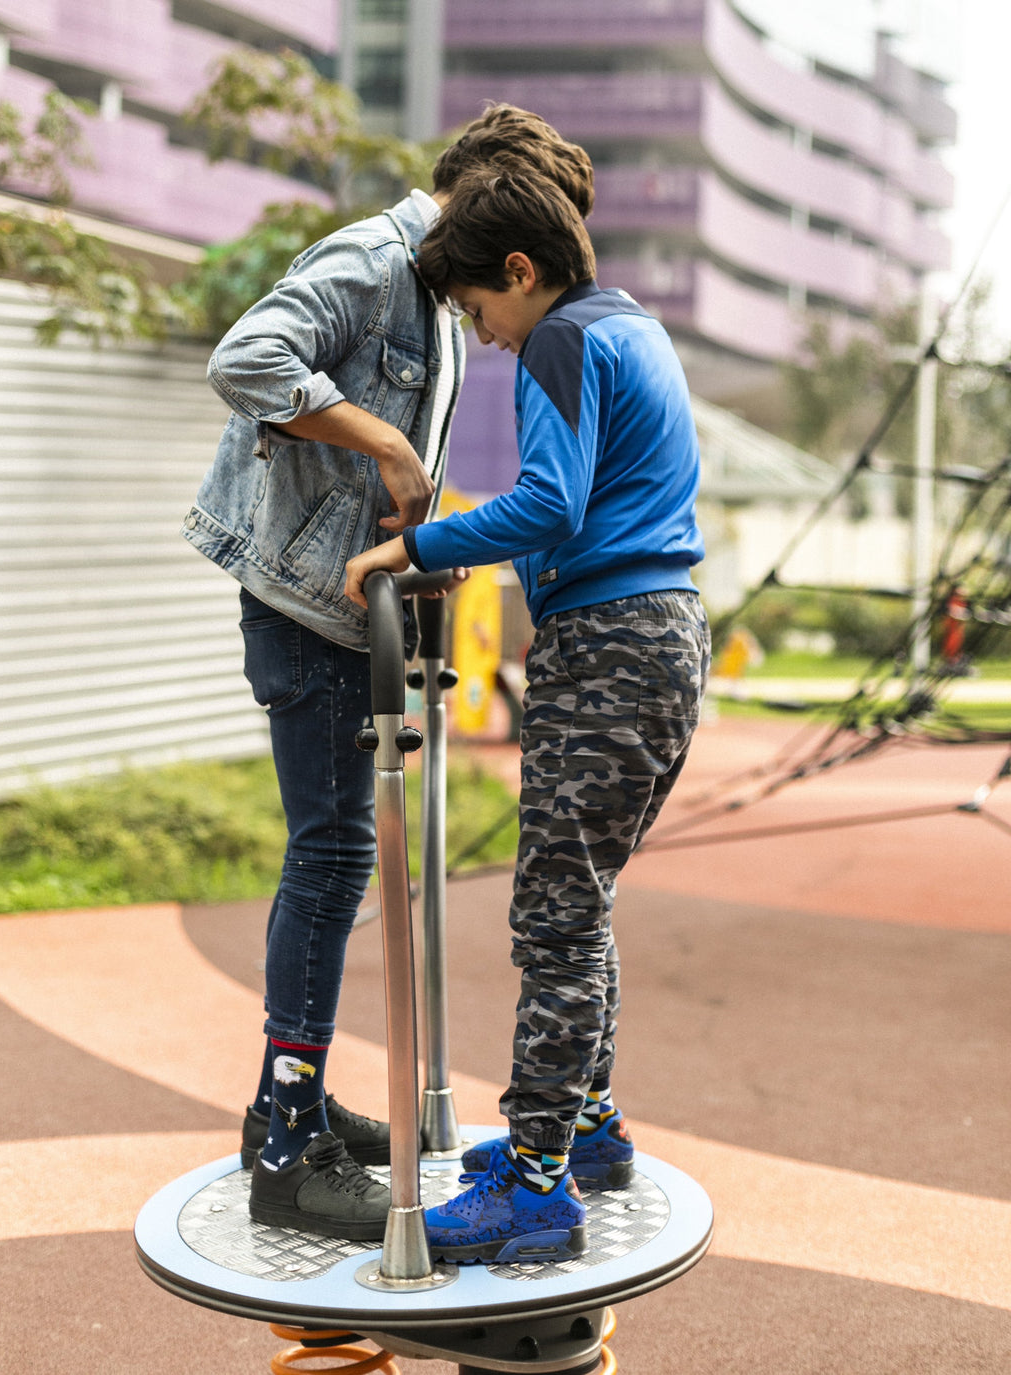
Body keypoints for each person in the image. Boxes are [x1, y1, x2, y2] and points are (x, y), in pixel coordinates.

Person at [182, 108, 595, 1241]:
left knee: (340, 853)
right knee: (330, 854)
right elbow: (245, 358)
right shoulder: (372, 260)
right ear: (485, 199)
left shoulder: (435, 296)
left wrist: (424, 549)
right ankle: (283, 1141)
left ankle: (295, 1100)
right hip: (299, 604)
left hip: (346, 595)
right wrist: (392, 448)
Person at [345, 167, 711, 1264]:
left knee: (552, 917)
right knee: (579, 903)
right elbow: (590, 498)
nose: (485, 338)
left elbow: (549, 501)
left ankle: (539, 1187)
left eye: (476, 312)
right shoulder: (629, 325)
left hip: (607, 644)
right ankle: (583, 1131)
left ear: (518, 271)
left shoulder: (558, 337)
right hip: (662, 631)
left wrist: (416, 544)